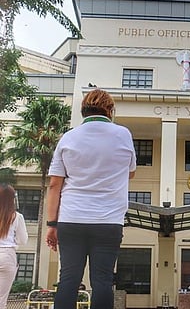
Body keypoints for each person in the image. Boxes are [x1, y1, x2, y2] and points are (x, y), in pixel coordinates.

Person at [45, 89, 137, 309]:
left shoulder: (69, 137)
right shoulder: (123, 134)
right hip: (108, 222)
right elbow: (131, 171)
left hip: (71, 219)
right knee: (103, 281)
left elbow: (55, 184)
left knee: (68, 279)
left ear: (83, 111)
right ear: (110, 111)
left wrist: (51, 224)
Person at [0, 184, 28, 309]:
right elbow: (23, 240)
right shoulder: (17, 216)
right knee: (1, 299)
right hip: (7, 255)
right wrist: (14, 239)